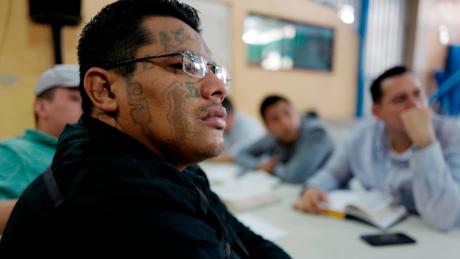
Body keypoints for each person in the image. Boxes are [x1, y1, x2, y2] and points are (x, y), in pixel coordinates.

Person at [0, 1, 291, 258]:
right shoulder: (117, 196)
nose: (219, 88)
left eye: (215, 71)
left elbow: (239, 236)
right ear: (104, 90)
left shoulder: (174, 165)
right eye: (184, 65)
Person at [294, 66, 460, 231]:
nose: (415, 105)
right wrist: (314, 188)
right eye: (400, 99)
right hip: (380, 231)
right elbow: (333, 173)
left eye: (418, 94)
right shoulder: (362, 136)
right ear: (377, 111)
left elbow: (444, 217)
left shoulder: (452, 135)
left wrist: (426, 143)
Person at [0, 64, 81, 232]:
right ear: (42, 107)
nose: (87, 107)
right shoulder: (13, 151)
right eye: (75, 98)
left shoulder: (96, 152)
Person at [234, 95, 334, 183]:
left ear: (296, 112)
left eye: (287, 113)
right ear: (267, 127)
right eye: (275, 119)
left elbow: (295, 176)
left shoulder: (316, 133)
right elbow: (241, 154)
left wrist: (273, 168)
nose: (284, 123)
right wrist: (258, 165)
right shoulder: (272, 137)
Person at [211, 97, 265, 162]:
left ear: (230, 115)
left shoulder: (246, 126)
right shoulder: (226, 127)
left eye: (218, 118)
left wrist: (206, 158)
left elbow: (234, 157)